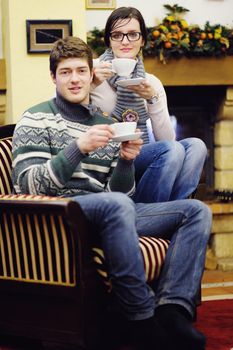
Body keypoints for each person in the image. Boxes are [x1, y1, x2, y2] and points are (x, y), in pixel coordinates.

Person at [12, 36, 211, 350]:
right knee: (116, 204)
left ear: (92, 75)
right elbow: (28, 184)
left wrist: (124, 162)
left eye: (81, 71)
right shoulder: (35, 118)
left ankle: (172, 310)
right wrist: (77, 148)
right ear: (54, 77)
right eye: (65, 72)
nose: (75, 79)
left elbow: (123, 193)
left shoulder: (106, 123)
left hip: (109, 211)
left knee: (196, 211)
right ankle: (141, 319)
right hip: (60, 215)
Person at [91, 6, 207, 203]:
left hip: (142, 155)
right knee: (172, 150)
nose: (125, 41)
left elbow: (167, 139)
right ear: (109, 40)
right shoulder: (92, 70)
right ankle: (156, 213)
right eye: (117, 35)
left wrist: (152, 99)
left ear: (143, 40)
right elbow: (62, 105)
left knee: (197, 146)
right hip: (108, 159)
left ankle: (170, 208)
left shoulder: (151, 82)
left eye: (133, 34)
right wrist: (91, 83)